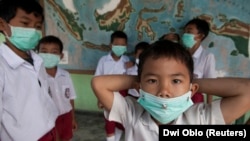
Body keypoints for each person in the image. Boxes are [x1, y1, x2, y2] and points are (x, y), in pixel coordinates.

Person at [91, 40, 250, 141]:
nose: (164, 91)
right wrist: (138, 83)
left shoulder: (201, 118)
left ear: (192, 88)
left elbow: (246, 91)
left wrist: (194, 84)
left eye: (175, 81)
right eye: (153, 81)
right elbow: (99, 83)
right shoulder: (132, 113)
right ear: (140, 87)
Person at [0, 0, 59, 141]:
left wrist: (53, 129)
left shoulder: (37, 60)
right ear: (2, 25)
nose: (33, 30)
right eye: (25, 23)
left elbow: (44, 98)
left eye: (38, 26)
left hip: (48, 130)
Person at [37, 35, 77, 141]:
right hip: (49, 119)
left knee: (66, 138)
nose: (49, 55)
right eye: (44, 52)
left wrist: (73, 118)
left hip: (66, 116)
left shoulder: (65, 75)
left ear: (61, 55)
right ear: (38, 55)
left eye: (54, 52)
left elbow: (71, 98)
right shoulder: (37, 77)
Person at [94, 30, 130, 141]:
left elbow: (129, 80)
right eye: (117, 44)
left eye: (122, 45)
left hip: (123, 95)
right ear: (111, 45)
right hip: (107, 93)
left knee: (120, 120)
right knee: (109, 119)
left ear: (126, 46)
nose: (120, 47)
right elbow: (97, 79)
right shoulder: (103, 61)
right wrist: (99, 98)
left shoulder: (127, 60)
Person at [181, 18, 216, 104]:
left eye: (189, 32)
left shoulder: (207, 57)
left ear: (200, 36)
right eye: (184, 32)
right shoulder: (180, 55)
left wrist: (209, 106)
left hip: (196, 99)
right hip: (179, 96)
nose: (185, 34)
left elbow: (211, 84)